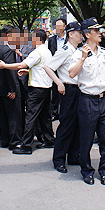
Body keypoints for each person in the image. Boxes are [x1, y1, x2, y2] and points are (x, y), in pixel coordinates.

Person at [69, 17, 105, 185]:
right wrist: (83, 58)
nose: (100, 33)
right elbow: (71, 74)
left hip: (103, 100)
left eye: (100, 30)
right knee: (86, 139)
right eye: (96, 31)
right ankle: (87, 171)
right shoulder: (78, 53)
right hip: (87, 101)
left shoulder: (104, 52)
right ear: (87, 34)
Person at [0, 28, 54, 155]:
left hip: (37, 89)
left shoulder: (37, 52)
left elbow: (20, 65)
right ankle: (50, 140)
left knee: (30, 116)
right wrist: (29, 72)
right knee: (45, 116)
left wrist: (5, 66)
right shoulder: (47, 52)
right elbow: (42, 69)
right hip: (46, 88)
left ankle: (26, 145)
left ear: (38, 39)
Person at [43, 21, 82, 173]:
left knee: (77, 125)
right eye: (79, 33)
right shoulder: (65, 50)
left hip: (79, 90)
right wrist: (58, 83)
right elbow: (48, 66)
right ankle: (58, 159)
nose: (81, 35)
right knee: (66, 125)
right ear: (71, 34)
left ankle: (73, 156)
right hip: (69, 90)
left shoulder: (77, 50)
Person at [0, 26, 23, 149]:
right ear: (8, 36)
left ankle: (5, 140)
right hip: (8, 90)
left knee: (3, 116)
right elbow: (10, 72)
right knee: (14, 116)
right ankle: (15, 142)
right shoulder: (7, 50)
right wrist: (13, 89)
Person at [48, 18, 67, 120]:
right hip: (55, 69)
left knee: (66, 91)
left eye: (60, 26)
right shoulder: (51, 40)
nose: (57, 28)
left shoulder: (69, 39)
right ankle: (54, 112)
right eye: (56, 26)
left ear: (64, 27)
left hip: (66, 69)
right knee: (55, 92)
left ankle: (64, 112)